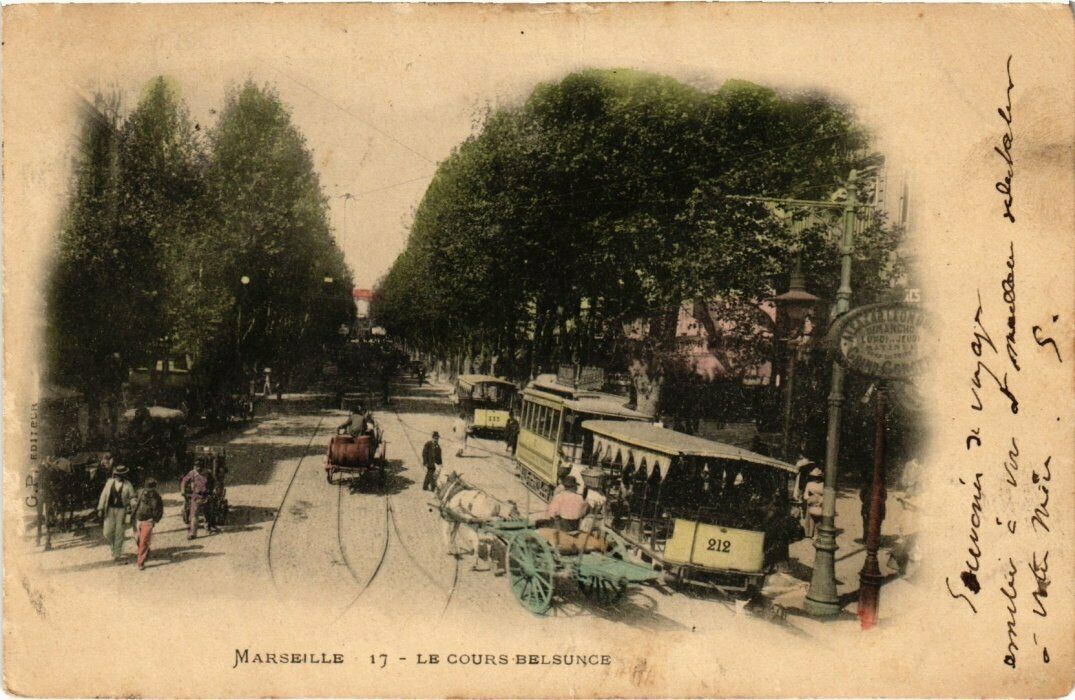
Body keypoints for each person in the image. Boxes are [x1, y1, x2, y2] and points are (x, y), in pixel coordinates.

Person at [96, 464, 135, 562]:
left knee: (119, 531)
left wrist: (133, 505)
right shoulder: (109, 483)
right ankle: (114, 545)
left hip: (122, 510)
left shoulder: (128, 484)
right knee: (107, 532)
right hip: (109, 509)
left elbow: (132, 497)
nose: (119, 477)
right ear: (115, 474)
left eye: (122, 475)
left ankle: (117, 553)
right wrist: (100, 508)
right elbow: (103, 495)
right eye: (118, 475)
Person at [131, 477, 164, 570]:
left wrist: (155, 519)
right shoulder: (140, 492)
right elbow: (132, 497)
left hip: (148, 520)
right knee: (138, 539)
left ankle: (140, 562)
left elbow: (160, 509)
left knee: (144, 541)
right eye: (148, 488)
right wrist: (133, 501)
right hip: (137, 519)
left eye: (151, 489)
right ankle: (145, 551)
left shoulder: (157, 497)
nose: (149, 491)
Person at [180, 459, 211, 539]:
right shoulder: (192, 473)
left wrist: (211, 491)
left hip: (205, 496)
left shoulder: (208, 473)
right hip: (195, 496)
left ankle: (207, 527)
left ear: (203, 467)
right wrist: (183, 490)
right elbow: (184, 481)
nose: (198, 469)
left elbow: (213, 483)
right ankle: (193, 533)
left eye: (200, 467)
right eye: (196, 467)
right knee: (194, 515)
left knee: (206, 513)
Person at [801, 467, 825, 539]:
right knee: (810, 518)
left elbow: (825, 495)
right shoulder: (809, 484)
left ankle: (817, 534)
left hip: (820, 502)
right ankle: (809, 533)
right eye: (814, 477)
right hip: (811, 501)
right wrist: (810, 500)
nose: (816, 478)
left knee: (818, 518)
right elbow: (805, 495)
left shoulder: (823, 484)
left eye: (817, 477)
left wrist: (820, 501)